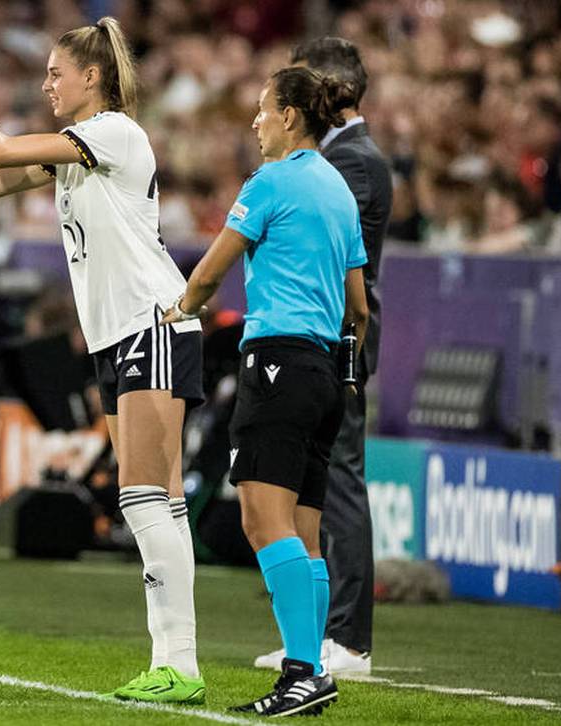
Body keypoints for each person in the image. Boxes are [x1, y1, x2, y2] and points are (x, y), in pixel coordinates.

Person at [0, 19, 206, 703]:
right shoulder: (74, 153)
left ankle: (179, 663)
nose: (46, 85)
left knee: (146, 497)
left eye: (55, 73)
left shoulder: (114, 134)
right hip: (120, 335)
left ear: (91, 77)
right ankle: (176, 663)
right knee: (155, 499)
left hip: (153, 324)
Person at [162, 66, 369, 716]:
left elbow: (209, 273)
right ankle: (313, 669)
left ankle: (302, 670)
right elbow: (360, 308)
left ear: (289, 116)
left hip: (277, 362)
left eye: (262, 109)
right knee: (305, 533)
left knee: (260, 519)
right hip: (327, 372)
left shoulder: (272, 182)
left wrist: (177, 311)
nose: (255, 122)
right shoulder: (339, 191)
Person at [249, 36, 393, 677]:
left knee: (338, 485)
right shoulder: (340, 161)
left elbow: (332, 260)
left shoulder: (351, 163)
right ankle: (312, 639)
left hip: (331, 342)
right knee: (313, 490)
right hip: (325, 339)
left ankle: (349, 640)